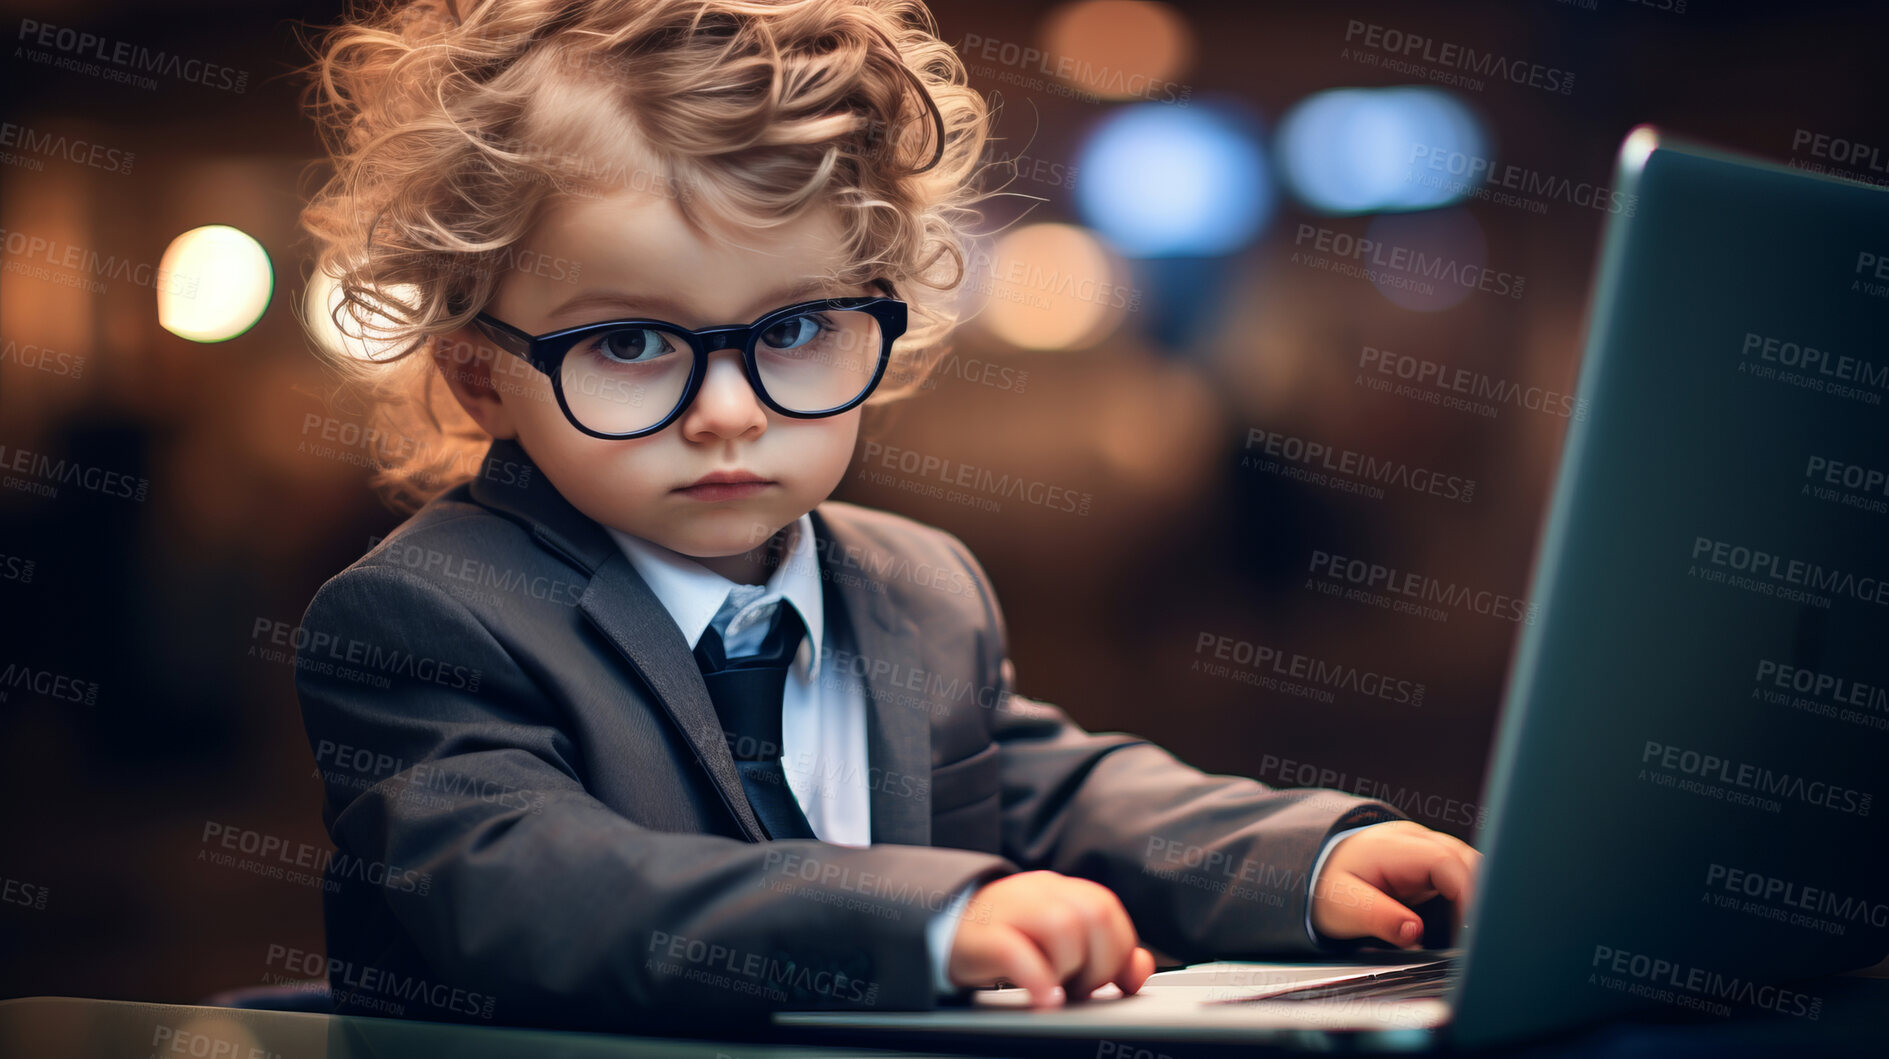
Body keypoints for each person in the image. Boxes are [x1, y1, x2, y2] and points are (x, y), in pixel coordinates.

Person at [290, 0, 1481, 1033]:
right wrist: (926, 919)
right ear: (478, 372)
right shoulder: (430, 614)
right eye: (631, 342)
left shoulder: (919, 584)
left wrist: (1303, 859)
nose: (726, 412)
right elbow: (528, 889)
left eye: (794, 330)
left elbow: (1047, 793)